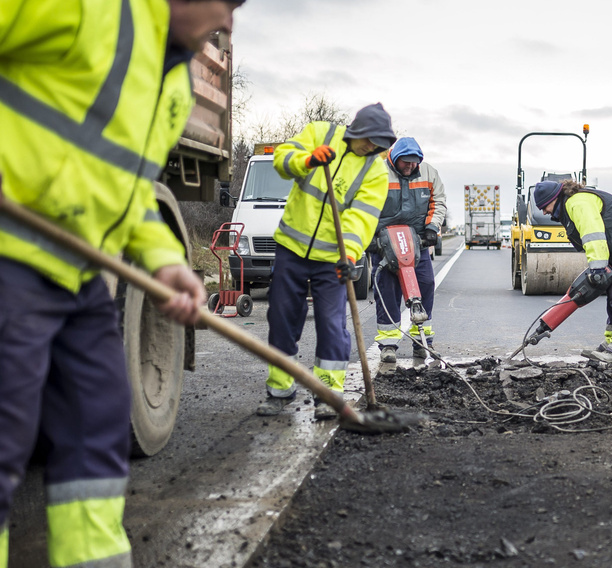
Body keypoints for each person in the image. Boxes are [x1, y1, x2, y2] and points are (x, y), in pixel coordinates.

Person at [0, 0, 244, 566]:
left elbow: (130, 192)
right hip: (11, 260)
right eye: (227, 2)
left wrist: (165, 262)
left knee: (97, 425)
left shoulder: (173, 82)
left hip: (83, 276)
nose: (229, 24)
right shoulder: (86, 8)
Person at [256, 103, 395, 420]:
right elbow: (282, 161)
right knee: (281, 317)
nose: (371, 148)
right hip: (291, 248)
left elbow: (362, 218)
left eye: (378, 144)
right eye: (369, 140)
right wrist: (307, 160)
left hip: (332, 259)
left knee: (332, 325)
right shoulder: (320, 133)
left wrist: (350, 254)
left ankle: (328, 395)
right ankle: (280, 390)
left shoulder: (375, 171)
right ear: (357, 130)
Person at [533, 179, 612, 364]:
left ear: (554, 198)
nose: (544, 212)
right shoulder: (569, 206)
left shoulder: (577, 203)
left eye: (544, 206)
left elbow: (593, 236)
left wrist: (597, 268)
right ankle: (611, 343)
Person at [369, 137, 447, 367]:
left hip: (416, 243)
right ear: (395, 159)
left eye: (414, 163)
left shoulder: (429, 173)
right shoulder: (376, 174)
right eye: (406, 162)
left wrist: (432, 228)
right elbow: (364, 206)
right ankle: (388, 345)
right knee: (387, 291)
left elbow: (438, 202)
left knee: (425, 284)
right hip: (384, 244)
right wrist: (369, 236)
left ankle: (423, 342)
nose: (410, 166)